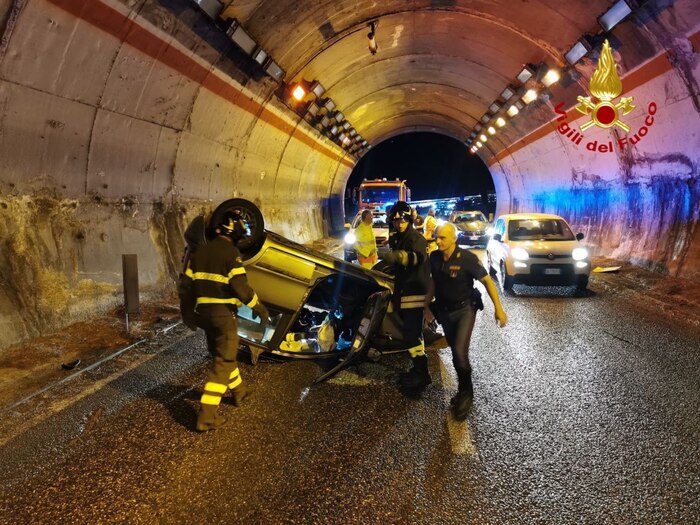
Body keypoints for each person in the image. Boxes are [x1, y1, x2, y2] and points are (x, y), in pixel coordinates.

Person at [179, 211, 270, 432]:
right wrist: (258, 307)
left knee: (222, 354)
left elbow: (186, 288)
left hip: (205, 316)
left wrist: (187, 315)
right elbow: (241, 288)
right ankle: (207, 416)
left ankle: (239, 391)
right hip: (223, 317)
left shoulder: (198, 254)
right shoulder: (231, 254)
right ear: (234, 230)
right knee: (223, 363)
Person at [426, 222, 507, 420]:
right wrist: (425, 306)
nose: (438, 241)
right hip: (444, 312)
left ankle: (467, 394)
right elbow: (433, 282)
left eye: (443, 237)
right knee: (455, 354)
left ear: (454, 238)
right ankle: (463, 390)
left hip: (464, 310)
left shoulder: (467, 259)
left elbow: (487, 281)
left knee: (460, 354)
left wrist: (498, 308)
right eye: (437, 237)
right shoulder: (434, 258)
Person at [379, 201, 431, 394]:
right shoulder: (400, 237)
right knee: (413, 334)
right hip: (405, 292)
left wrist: (396, 256)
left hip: (415, 293)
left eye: (402, 220)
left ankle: (422, 373)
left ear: (409, 219)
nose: (399, 224)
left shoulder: (415, 238)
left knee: (411, 335)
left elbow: (416, 258)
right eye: (395, 221)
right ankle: (418, 369)